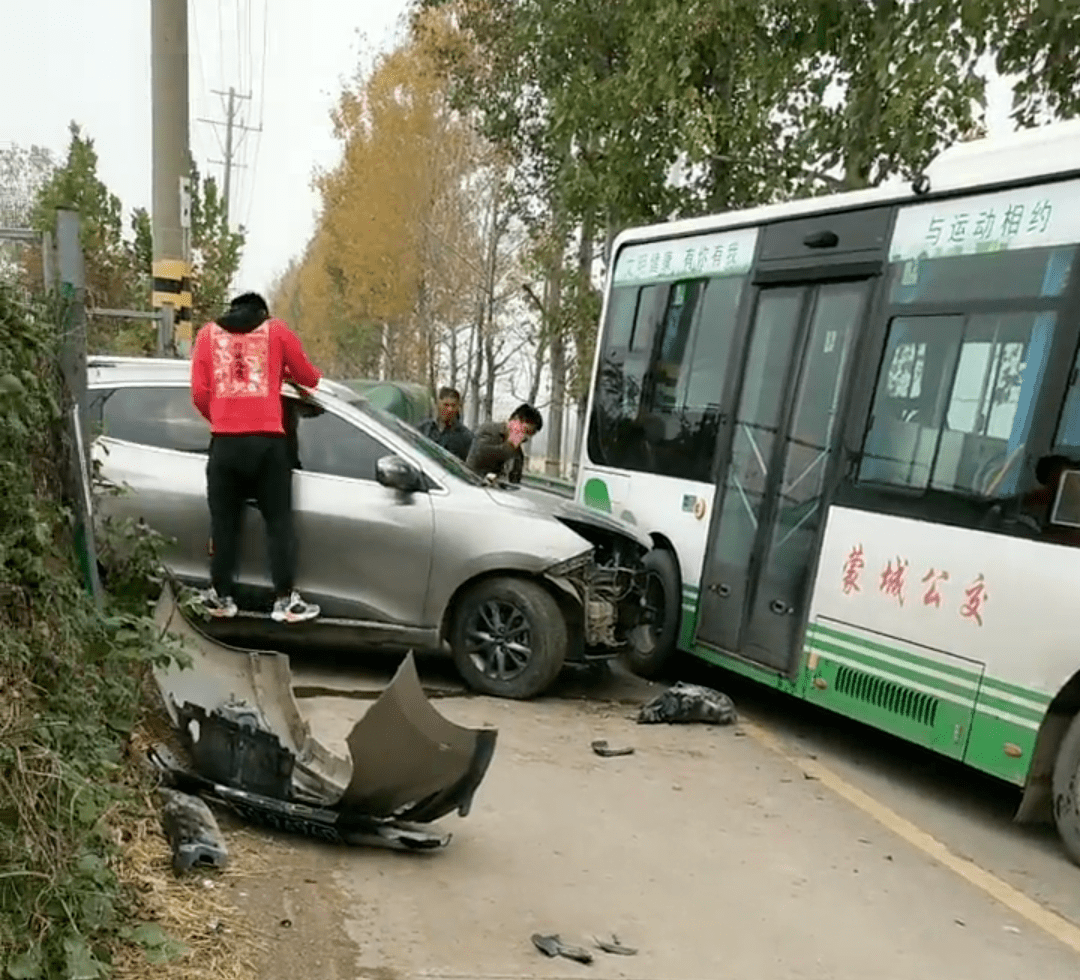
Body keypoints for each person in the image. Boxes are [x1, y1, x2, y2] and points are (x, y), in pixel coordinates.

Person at [190, 291, 322, 623]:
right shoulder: (275, 330)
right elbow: (310, 378)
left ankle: (221, 596)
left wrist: (223, 417)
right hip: (269, 445)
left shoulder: (207, 335)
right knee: (278, 523)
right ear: (262, 311)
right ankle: (284, 600)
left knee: (224, 524)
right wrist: (282, 373)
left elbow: (199, 393)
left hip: (225, 445)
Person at [466, 403, 543, 484]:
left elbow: (514, 480)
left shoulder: (518, 454)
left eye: (530, 434)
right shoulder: (489, 430)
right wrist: (509, 446)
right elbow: (479, 455)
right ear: (515, 420)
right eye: (525, 431)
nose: (526, 437)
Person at [418, 386, 473, 461]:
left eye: (453, 406)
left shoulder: (466, 437)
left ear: (457, 408)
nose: (450, 409)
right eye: (446, 405)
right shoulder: (424, 429)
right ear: (438, 405)